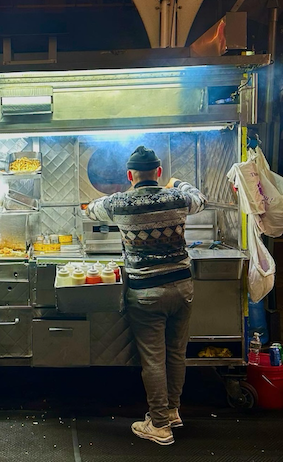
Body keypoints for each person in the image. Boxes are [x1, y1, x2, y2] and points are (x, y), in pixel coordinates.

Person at [85, 145, 207, 446]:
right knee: (177, 353)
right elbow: (200, 199)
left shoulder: (119, 203)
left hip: (146, 292)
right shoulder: (176, 196)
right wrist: (178, 183)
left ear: (130, 175)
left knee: (153, 359)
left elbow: (89, 210)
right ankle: (173, 411)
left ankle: (160, 425)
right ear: (159, 173)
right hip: (182, 287)